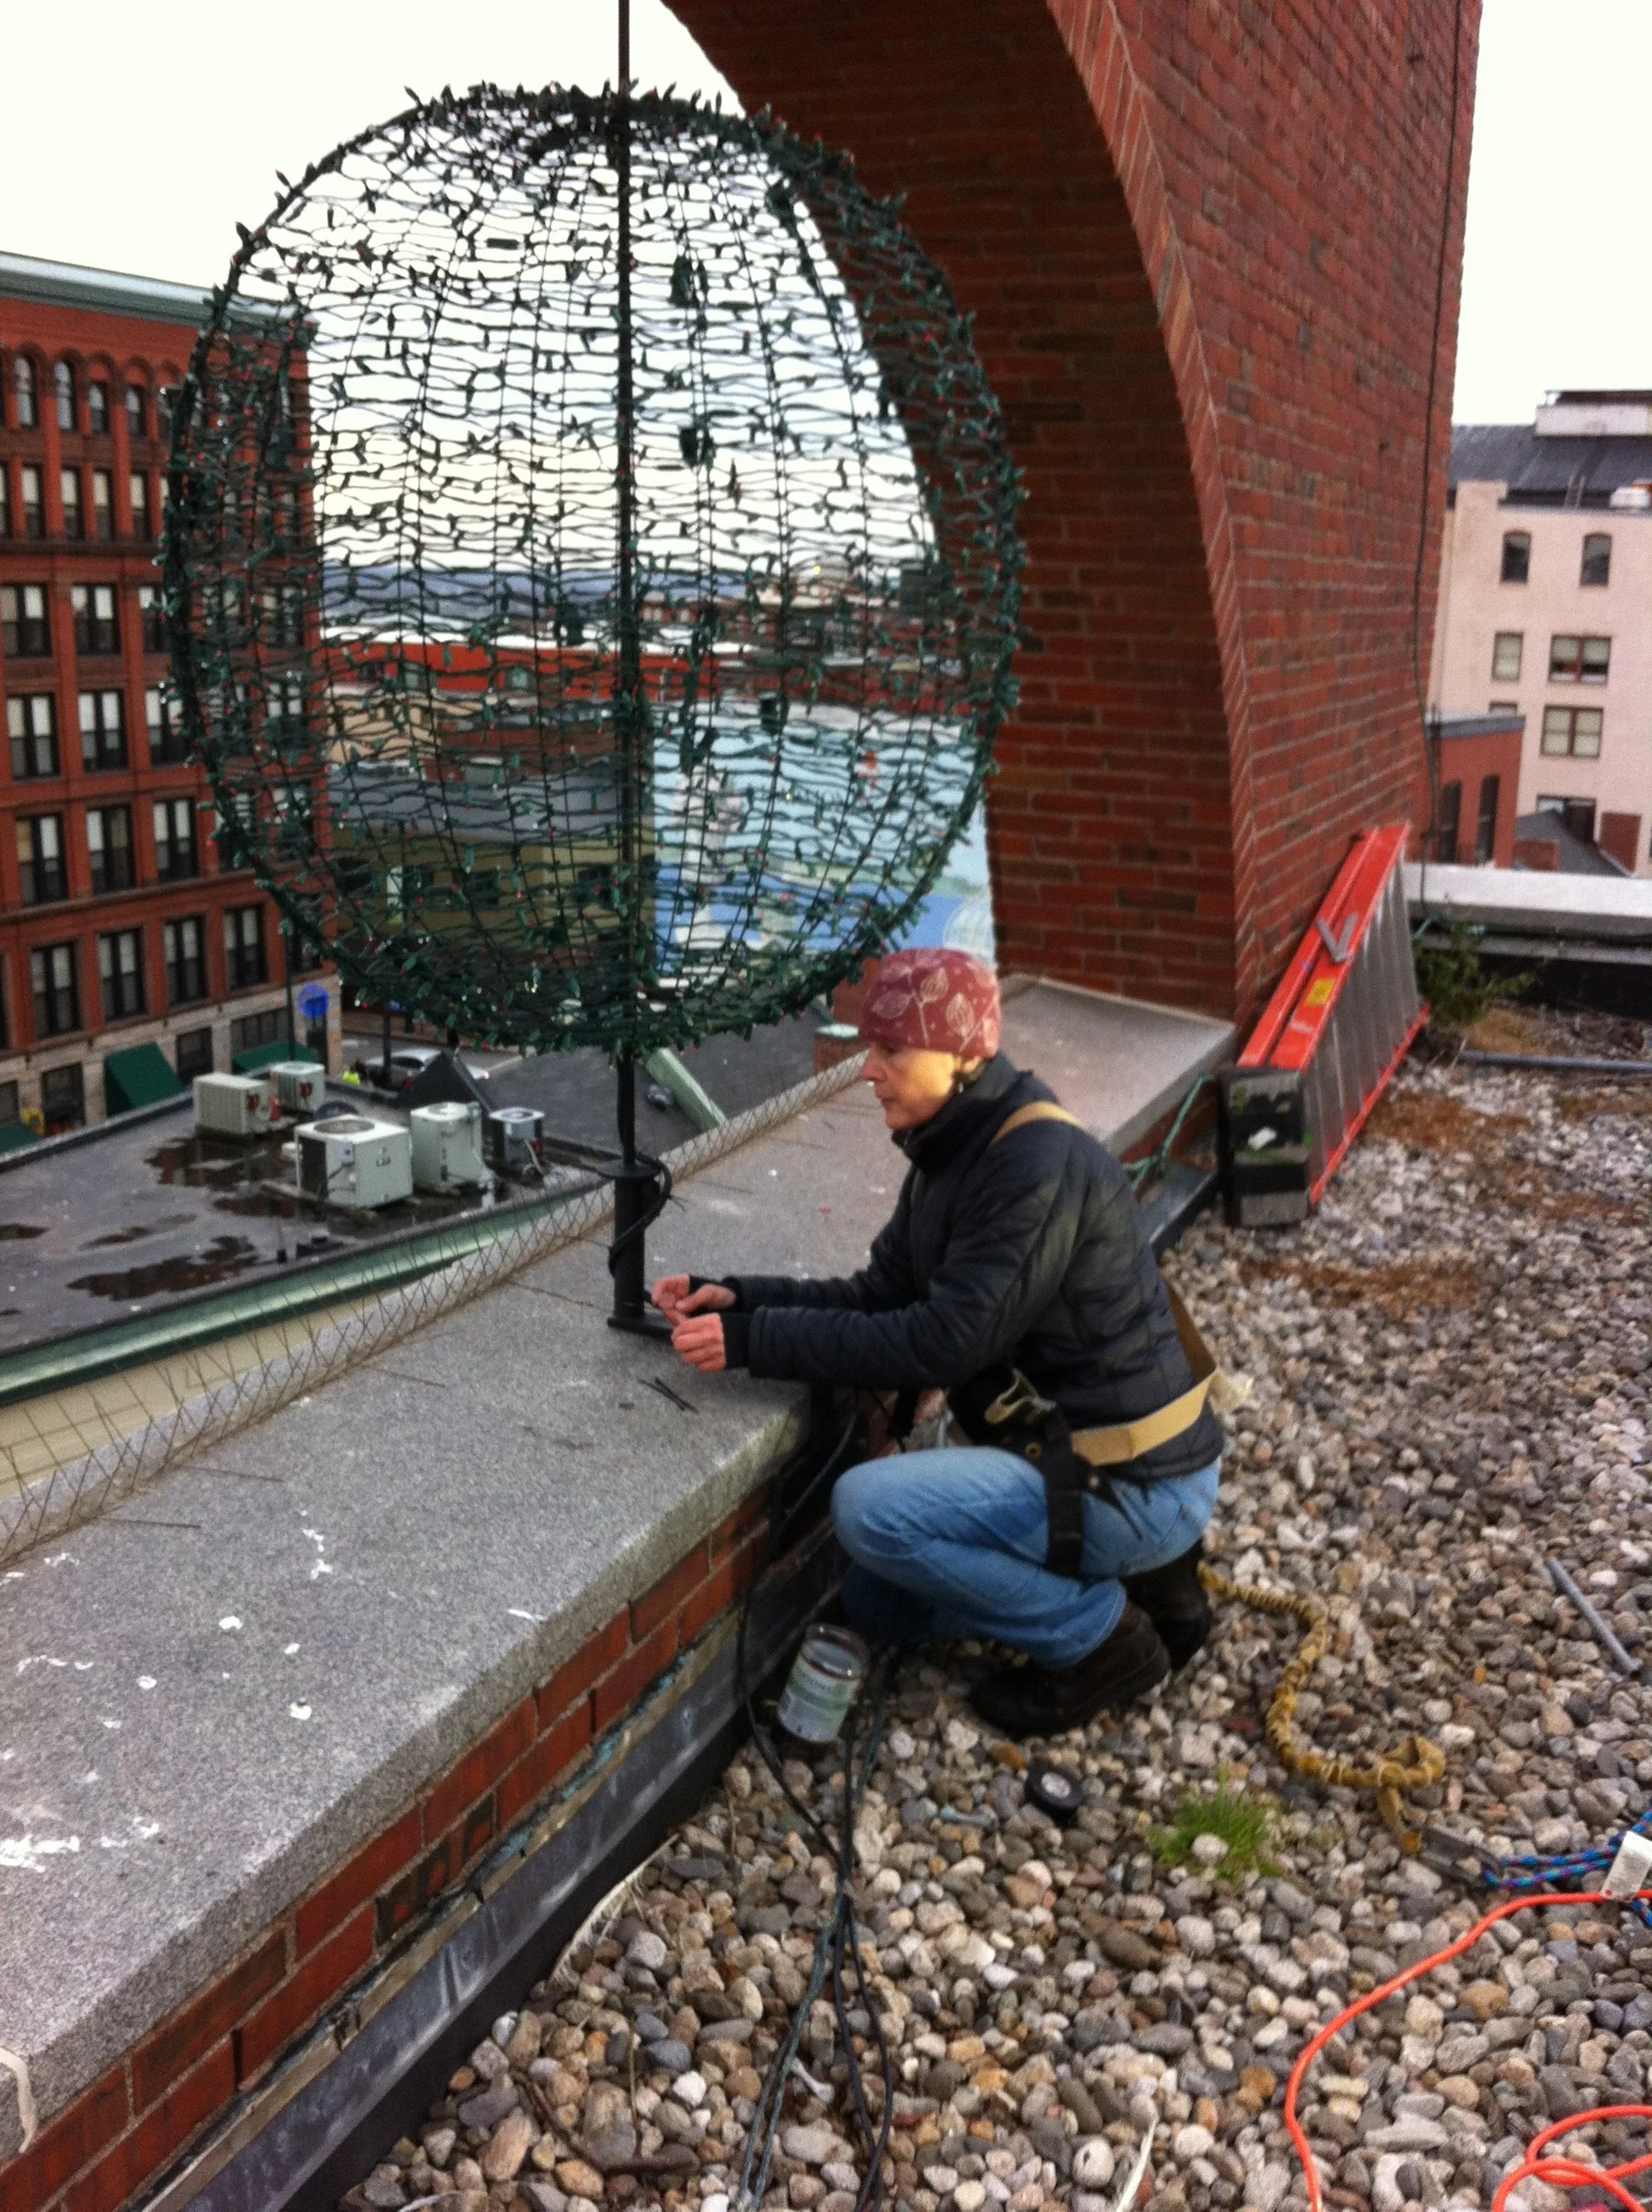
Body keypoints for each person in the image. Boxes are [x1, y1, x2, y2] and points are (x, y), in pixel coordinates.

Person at [652, 947, 1223, 1737]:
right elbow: (878, 1293)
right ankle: (1149, 1589)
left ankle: (1101, 1638)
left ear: (966, 1055)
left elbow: (942, 1344)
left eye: (891, 1050)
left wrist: (754, 1342)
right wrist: (742, 1297)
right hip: (1077, 1461)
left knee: (868, 1512)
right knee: (877, 1601)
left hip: (1131, 1482)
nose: (866, 1071)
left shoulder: (1033, 1165)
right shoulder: (958, 1149)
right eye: (866, 1045)